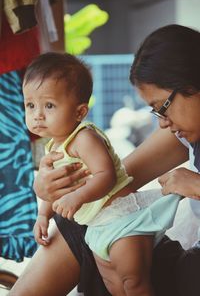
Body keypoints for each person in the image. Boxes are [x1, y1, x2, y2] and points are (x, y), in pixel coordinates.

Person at [9, 24, 200, 296]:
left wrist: (196, 186)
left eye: (162, 107)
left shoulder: (85, 136)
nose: (163, 123)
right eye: (31, 105)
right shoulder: (185, 131)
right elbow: (120, 177)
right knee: (81, 222)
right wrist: (55, 192)